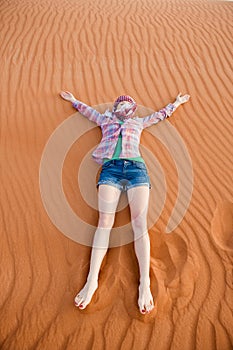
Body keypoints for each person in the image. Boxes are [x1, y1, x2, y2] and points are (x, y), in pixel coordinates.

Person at [60, 90, 190, 314]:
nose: (126, 107)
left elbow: (158, 116)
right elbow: (90, 112)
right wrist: (74, 101)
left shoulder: (138, 122)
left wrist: (176, 103)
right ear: (115, 108)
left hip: (137, 170)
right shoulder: (105, 120)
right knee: (104, 222)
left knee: (139, 224)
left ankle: (144, 285)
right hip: (110, 170)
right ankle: (92, 282)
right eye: (121, 104)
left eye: (129, 105)